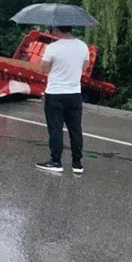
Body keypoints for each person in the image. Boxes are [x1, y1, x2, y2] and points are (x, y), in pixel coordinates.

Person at [36, 25, 90, 174]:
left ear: (58, 30)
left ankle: (56, 161)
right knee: (75, 129)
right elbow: (85, 67)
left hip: (55, 93)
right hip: (74, 93)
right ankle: (77, 163)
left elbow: (43, 70)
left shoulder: (53, 47)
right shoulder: (83, 46)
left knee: (56, 129)